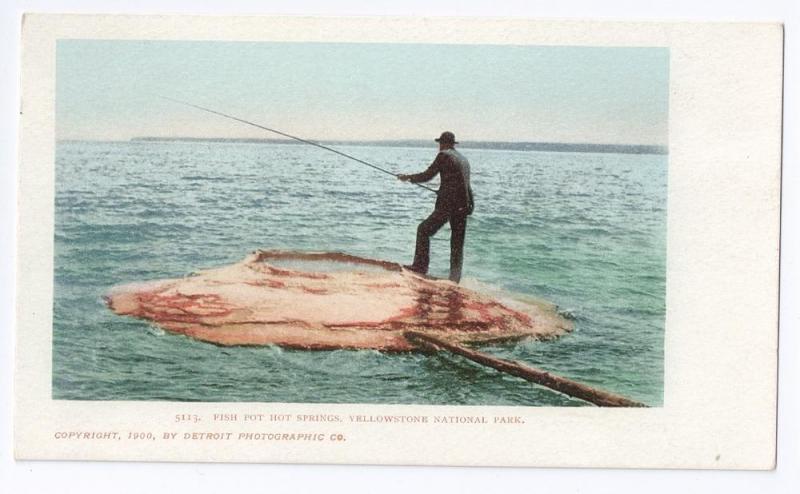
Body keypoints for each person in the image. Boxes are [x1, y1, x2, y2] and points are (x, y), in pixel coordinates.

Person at [397, 131, 474, 283]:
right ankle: (455, 279)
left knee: (423, 230)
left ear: (443, 143)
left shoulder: (444, 155)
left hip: (448, 205)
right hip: (464, 205)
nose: (439, 147)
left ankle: (420, 267)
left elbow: (428, 175)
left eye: (440, 144)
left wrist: (408, 177)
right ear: (453, 143)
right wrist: (470, 204)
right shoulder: (464, 159)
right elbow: (467, 185)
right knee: (457, 243)